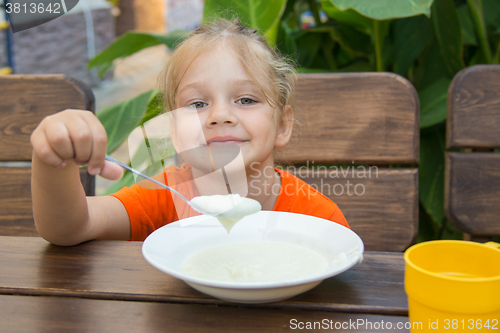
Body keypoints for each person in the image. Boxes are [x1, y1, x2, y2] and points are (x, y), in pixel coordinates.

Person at [30, 18, 349, 246]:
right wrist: (52, 160)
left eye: (246, 99)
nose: (220, 115)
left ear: (282, 125)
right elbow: (71, 227)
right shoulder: (161, 198)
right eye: (197, 103)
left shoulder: (317, 219)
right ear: (173, 130)